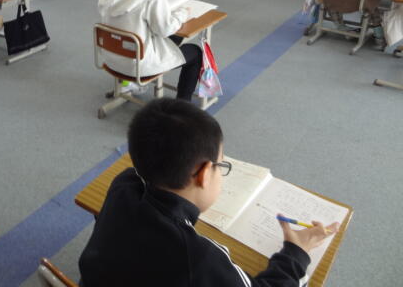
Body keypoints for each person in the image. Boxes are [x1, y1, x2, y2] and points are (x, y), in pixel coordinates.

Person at [79, 98, 339, 287]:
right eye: (221, 165)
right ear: (204, 173)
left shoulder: (123, 185)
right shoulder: (199, 258)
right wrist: (296, 253)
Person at [98, 0, 202, 101]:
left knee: (153, 35)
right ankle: (181, 106)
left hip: (111, 56)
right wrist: (182, 14)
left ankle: (126, 84)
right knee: (195, 52)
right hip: (138, 63)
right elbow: (165, 29)